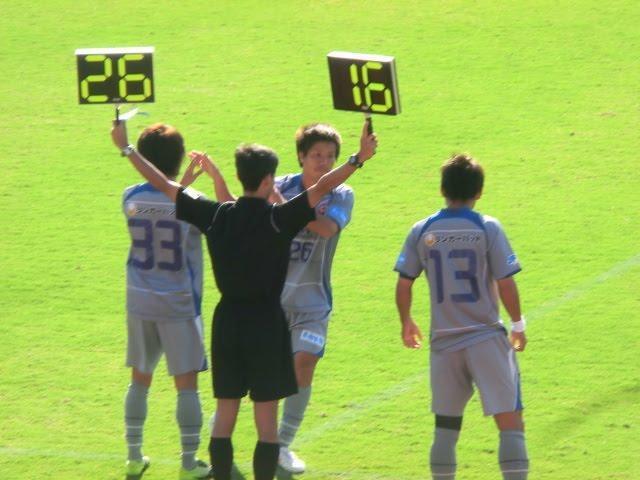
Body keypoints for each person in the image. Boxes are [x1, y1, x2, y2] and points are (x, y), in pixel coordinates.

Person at [111, 119, 377, 480]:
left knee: (225, 414)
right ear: (269, 181)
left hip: (227, 322)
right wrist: (357, 159)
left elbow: (165, 185)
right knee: (266, 421)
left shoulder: (216, 214)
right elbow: (322, 188)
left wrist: (127, 149)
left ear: (239, 177)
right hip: (268, 322)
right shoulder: (280, 218)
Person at [204, 123, 354, 473]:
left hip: (313, 302)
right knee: (257, 379)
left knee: (305, 361)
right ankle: (225, 422)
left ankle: (284, 443)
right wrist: (219, 179)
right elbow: (236, 211)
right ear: (301, 156)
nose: (323, 162)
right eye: (316, 155)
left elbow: (326, 229)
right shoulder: (278, 183)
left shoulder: (341, 193)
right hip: (273, 302)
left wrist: (284, 207)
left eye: (330, 156)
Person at [394, 154, 529, 480]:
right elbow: (506, 282)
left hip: (444, 344)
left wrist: (406, 321)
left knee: (445, 429)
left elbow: (404, 282)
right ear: (479, 192)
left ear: (443, 189)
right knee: (511, 423)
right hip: (486, 338)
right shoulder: (487, 227)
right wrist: (518, 324)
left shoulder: (422, 230)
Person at [121, 123, 211, 480]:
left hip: (140, 300)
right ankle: (188, 462)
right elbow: (180, 207)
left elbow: (160, 203)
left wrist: (180, 185)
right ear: (179, 157)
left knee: (139, 378)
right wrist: (186, 185)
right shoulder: (194, 202)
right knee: (186, 384)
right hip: (178, 303)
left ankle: (133, 456)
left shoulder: (129, 197)